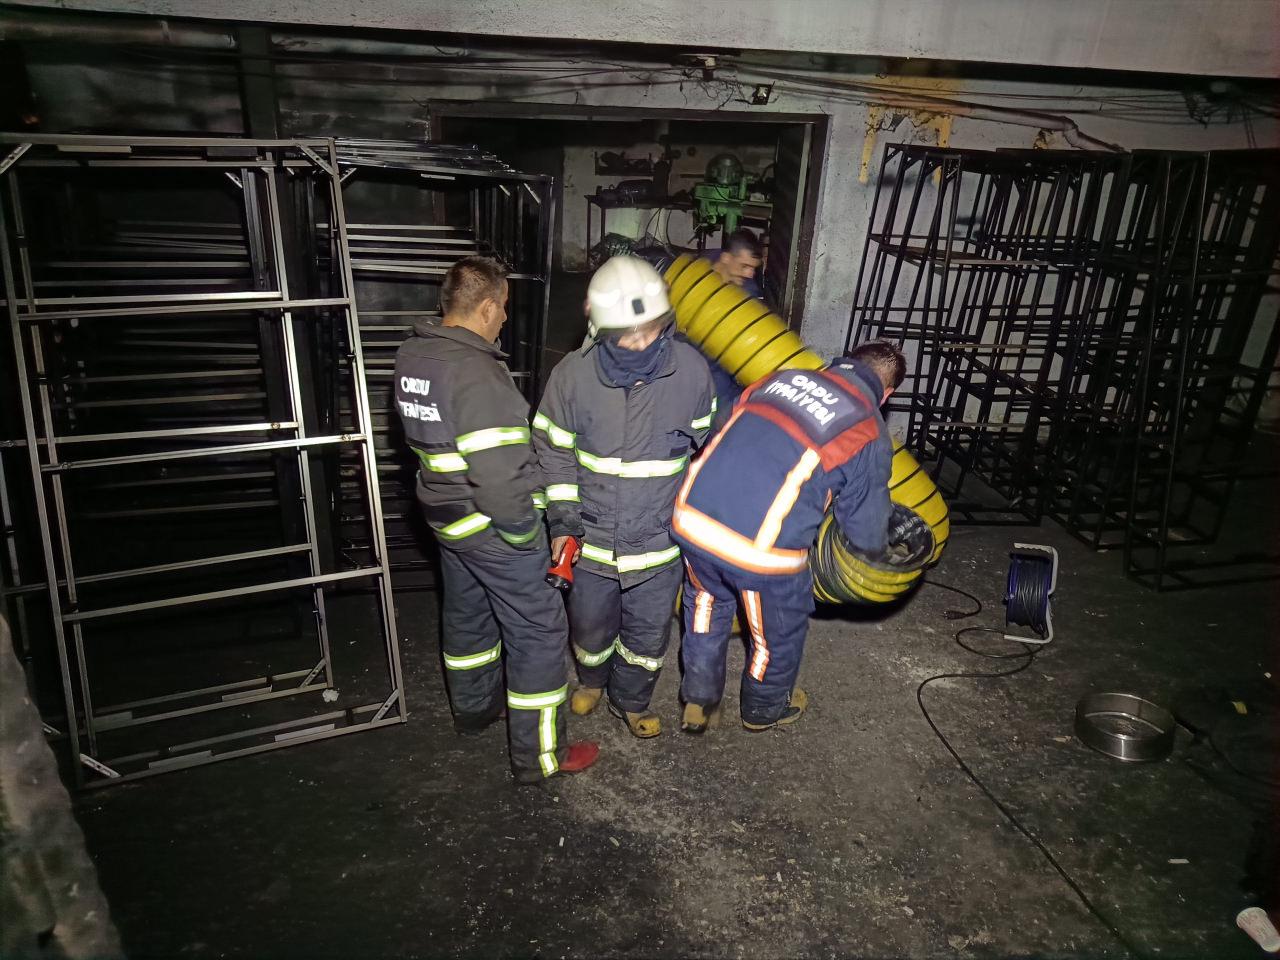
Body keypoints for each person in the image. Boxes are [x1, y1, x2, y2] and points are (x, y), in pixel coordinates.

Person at [393, 255, 599, 784]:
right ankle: (541, 758)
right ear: (485, 307)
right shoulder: (477, 375)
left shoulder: (416, 353)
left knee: (469, 617)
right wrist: (525, 534)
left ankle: (474, 709)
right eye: (503, 307)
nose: (505, 317)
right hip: (491, 526)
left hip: (446, 518)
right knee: (539, 634)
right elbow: (501, 477)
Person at [670, 341, 907, 733]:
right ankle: (763, 710)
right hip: (760, 550)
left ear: (845, 361)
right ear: (887, 394)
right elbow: (863, 526)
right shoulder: (868, 428)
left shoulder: (780, 378)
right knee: (775, 634)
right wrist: (877, 558)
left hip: (692, 516)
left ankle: (698, 698)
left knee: (706, 609)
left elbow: (724, 428)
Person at [533, 256, 715, 738]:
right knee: (590, 628)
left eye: (651, 330)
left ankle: (632, 700)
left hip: (658, 545)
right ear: (597, 325)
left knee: (648, 637)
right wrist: (563, 522)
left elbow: (706, 454)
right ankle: (592, 679)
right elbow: (553, 454)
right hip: (589, 542)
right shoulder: (571, 378)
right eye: (626, 333)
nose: (639, 342)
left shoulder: (693, 374)